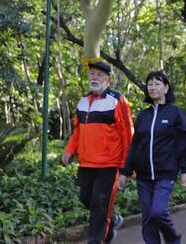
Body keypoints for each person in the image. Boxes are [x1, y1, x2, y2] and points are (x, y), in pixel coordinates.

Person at [62, 60, 133, 244]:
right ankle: (113, 222)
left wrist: (128, 164)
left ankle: (95, 240)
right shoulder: (83, 101)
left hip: (109, 164)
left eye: (100, 75)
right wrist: (70, 150)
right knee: (86, 198)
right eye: (92, 74)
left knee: (100, 204)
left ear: (108, 80)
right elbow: (78, 131)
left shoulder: (117, 100)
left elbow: (127, 134)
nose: (95, 77)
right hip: (86, 163)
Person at [118, 71, 186, 244]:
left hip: (165, 173)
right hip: (143, 176)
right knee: (148, 220)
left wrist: (185, 170)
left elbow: (184, 142)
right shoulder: (144, 116)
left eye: (157, 83)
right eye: (149, 84)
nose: (152, 87)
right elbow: (135, 146)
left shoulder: (175, 113)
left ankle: (173, 238)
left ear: (166, 88)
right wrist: (125, 171)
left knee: (157, 212)